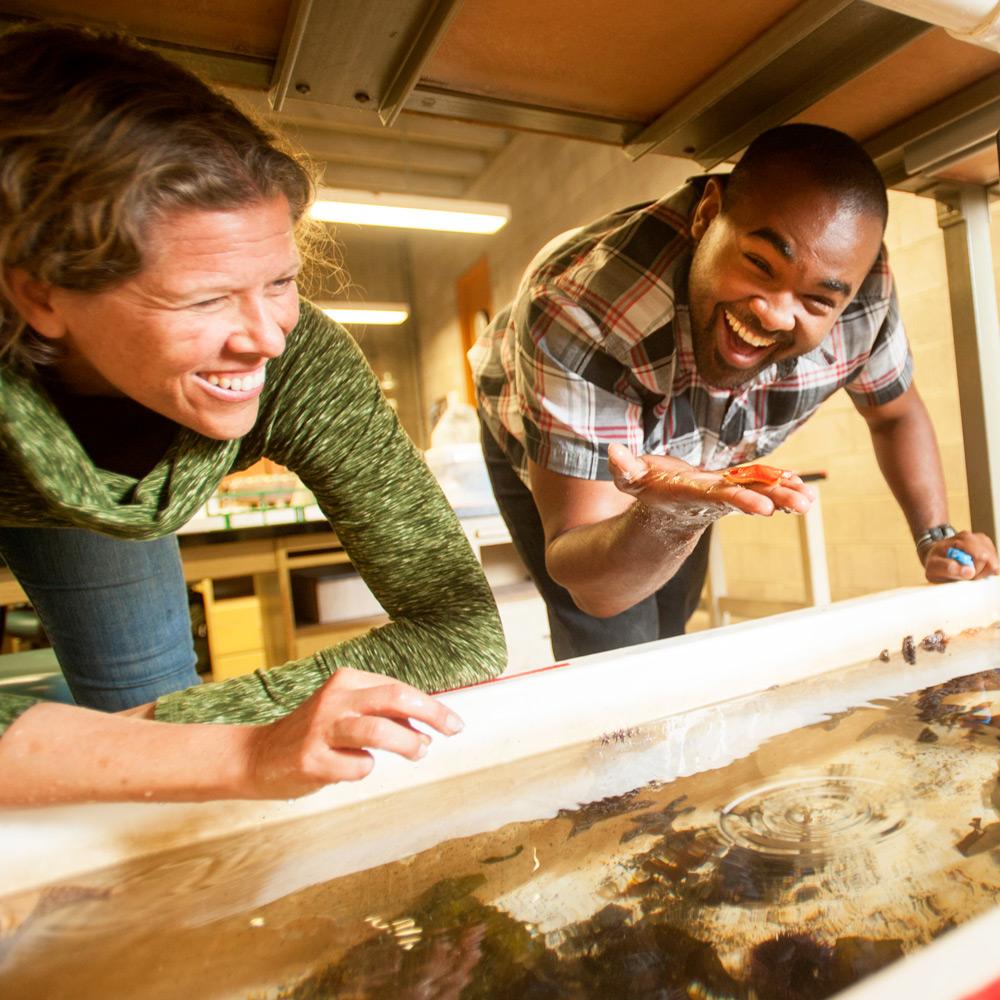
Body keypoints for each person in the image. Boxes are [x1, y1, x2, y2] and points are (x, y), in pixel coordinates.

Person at [0, 24, 506, 806]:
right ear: (41, 293)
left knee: (148, 722)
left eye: (280, 282)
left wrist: (157, 748)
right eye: (203, 300)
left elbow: (460, 626)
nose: (266, 338)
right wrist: (234, 756)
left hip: (91, 519)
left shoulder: (298, 360)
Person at [470, 123, 998, 661]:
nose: (772, 312)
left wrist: (935, 537)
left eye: (816, 301)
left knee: (669, 623)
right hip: (532, 422)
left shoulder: (864, 296)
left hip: (698, 449)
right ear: (706, 216)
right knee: (614, 639)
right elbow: (598, 590)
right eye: (759, 265)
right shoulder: (581, 305)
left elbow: (893, 415)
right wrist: (669, 517)